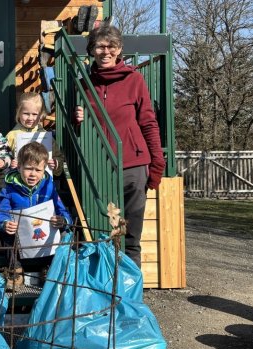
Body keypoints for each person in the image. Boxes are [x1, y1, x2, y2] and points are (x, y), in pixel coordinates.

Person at [74, 24, 166, 267]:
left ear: (119, 49)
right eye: (99, 46)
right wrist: (77, 121)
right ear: (91, 50)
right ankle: (105, 286)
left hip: (132, 166)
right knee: (99, 232)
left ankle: (129, 295)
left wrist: (157, 163)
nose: (106, 52)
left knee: (131, 236)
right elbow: (74, 129)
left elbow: (148, 122)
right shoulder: (84, 83)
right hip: (98, 166)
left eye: (111, 46)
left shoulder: (134, 79)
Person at [0, 142, 72, 289]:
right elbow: (1, 212)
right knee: (5, 235)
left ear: (44, 170)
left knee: (63, 232)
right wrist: (5, 222)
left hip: (43, 238)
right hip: (20, 238)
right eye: (29, 169)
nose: (33, 174)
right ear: (19, 167)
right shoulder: (8, 189)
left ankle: (47, 269)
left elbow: (63, 211)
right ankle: (15, 270)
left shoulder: (49, 187)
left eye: (38, 170)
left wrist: (63, 220)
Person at [6, 92, 63, 176]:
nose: (30, 118)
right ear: (18, 113)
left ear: (40, 115)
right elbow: (4, 157)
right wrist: (10, 163)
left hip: (42, 183)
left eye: (34, 114)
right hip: (18, 182)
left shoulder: (45, 136)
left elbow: (58, 156)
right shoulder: (11, 136)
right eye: (26, 114)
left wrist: (56, 163)